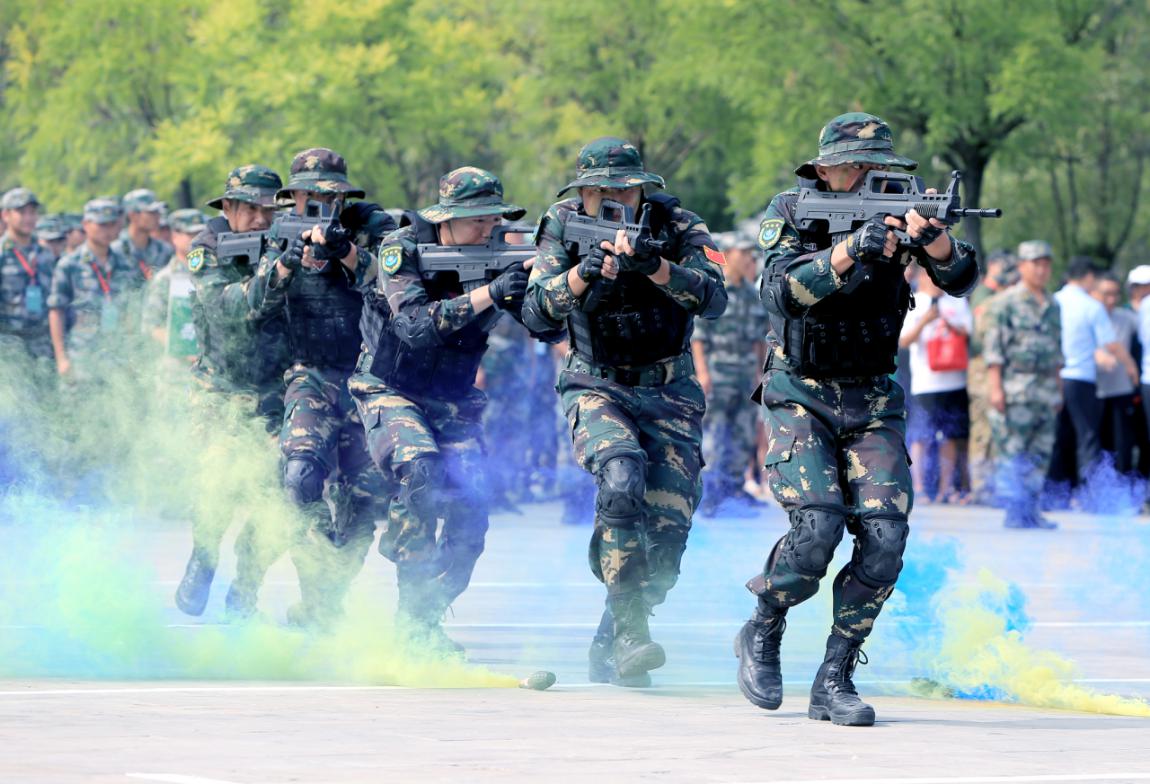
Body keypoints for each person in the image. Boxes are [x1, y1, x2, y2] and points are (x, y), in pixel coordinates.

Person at [734, 112, 978, 726]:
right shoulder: (790, 211)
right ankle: (764, 625)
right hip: (800, 392)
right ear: (826, 169)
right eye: (855, 167)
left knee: (886, 539)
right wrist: (848, 251)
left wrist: (936, 241)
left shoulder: (905, 210)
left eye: (878, 169)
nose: (868, 177)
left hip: (872, 397)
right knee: (816, 527)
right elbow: (779, 292)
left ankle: (835, 675)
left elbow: (962, 278)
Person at [523, 137, 728, 685]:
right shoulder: (562, 225)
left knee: (666, 537)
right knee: (620, 476)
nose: (612, 199)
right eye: (598, 191)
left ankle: (611, 638)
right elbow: (536, 312)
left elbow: (715, 298)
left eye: (624, 189)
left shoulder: (680, 226)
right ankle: (633, 632)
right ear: (582, 194)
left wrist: (657, 268)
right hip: (597, 382)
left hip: (669, 389)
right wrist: (581, 274)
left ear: (643, 189)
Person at [350, 166, 561, 653]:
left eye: (494, 219)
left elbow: (547, 330)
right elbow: (415, 326)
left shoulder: (501, 254)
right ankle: (411, 617)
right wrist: (490, 292)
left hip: (453, 397)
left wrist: (554, 288)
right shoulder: (401, 250)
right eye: (476, 221)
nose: (487, 229)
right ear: (445, 219)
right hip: (390, 387)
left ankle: (424, 617)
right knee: (421, 471)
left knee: (472, 509)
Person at [247, 148, 394, 628]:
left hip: (365, 377)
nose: (319, 205)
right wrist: (288, 263)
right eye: (310, 196)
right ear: (296, 196)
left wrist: (345, 251)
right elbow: (255, 306)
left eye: (329, 196)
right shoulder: (279, 231)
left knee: (362, 501)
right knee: (299, 478)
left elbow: (391, 281)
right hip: (309, 373)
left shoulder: (371, 224)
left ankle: (324, 600)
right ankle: (313, 577)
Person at [174, 164, 292, 618]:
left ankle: (247, 582)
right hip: (220, 389)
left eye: (268, 209)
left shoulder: (286, 238)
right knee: (216, 486)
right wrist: (276, 271)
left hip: (276, 391)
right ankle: (204, 559)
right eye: (251, 209)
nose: (261, 219)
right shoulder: (207, 249)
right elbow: (231, 308)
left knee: (287, 494)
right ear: (228, 208)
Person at [983, 240, 1063, 529]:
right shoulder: (1007, 302)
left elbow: (1056, 349)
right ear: (1022, 266)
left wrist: (1058, 387)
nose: (1042, 270)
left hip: (1045, 389)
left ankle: (1032, 509)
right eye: (1035, 263)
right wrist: (995, 387)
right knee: (1013, 451)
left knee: (1040, 453)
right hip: (1015, 386)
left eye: (1046, 264)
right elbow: (994, 349)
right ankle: (1014, 510)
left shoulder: (1053, 304)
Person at [693, 234, 769, 517]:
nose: (750, 258)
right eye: (744, 252)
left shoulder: (751, 294)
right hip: (718, 374)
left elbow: (760, 338)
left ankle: (734, 489)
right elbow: (698, 337)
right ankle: (710, 492)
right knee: (714, 434)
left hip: (746, 375)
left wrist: (760, 372)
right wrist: (702, 372)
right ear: (728, 255)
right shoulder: (714, 291)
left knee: (744, 432)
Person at [1049, 255, 1136, 496]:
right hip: (1081, 378)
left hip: (1054, 376)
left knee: (1057, 436)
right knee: (1087, 437)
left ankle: (1054, 492)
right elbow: (1112, 344)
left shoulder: (1053, 300)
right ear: (1088, 277)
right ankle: (1089, 494)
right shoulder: (1090, 305)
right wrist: (1130, 365)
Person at [47, 198, 148, 381]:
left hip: (118, 356)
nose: (107, 231)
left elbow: (132, 309)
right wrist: (62, 358)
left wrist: (135, 353)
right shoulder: (69, 264)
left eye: (111, 225)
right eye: (101, 225)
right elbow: (56, 312)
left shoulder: (125, 263)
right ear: (86, 224)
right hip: (82, 356)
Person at [898, 263, 974, 503]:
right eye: (931, 277)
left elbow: (969, 332)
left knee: (951, 435)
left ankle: (945, 488)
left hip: (954, 380)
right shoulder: (914, 302)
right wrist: (925, 321)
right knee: (921, 435)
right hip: (925, 382)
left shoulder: (956, 301)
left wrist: (948, 322)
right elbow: (903, 341)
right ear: (921, 278)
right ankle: (919, 487)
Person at [1091, 272, 1139, 476]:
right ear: (1094, 293)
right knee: (1095, 443)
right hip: (1093, 389)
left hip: (1120, 389)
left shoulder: (1126, 318)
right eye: (1106, 294)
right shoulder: (1087, 315)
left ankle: (1122, 490)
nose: (1111, 299)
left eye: (1115, 294)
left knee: (1122, 443)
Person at [1, 188, 56, 364]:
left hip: (43, 343)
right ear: (6, 215)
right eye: (22, 212)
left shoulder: (45, 253)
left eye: (32, 212)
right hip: (9, 344)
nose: (28, 218)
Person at [141, 208, 206, 358]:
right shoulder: (165, 278)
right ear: (175, 236)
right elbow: (152, 325)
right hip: (177, 371)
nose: (197, 239)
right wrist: (184, 348)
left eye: (201, 234)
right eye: (191, 234)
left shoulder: (212, 274)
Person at [112, 189, 173, 276]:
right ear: (133, 215)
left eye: (157, 212)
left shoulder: (164, 250)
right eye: (151, 212)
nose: (157, 216)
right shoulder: (114, 251)